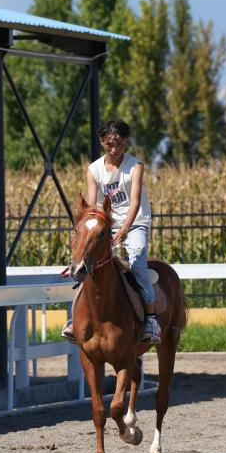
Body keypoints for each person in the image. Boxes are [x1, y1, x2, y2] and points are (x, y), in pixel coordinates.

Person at [63, 119, 161, 345]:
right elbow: (93, 203)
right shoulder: (94, 170)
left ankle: (151, 320)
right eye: (109, 144)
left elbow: (135, 202)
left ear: (126, 142)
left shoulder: (135, 167)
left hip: (134, 223)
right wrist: (91, 231)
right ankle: (74, 320)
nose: (114, 149)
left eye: (118, 143)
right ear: (101, 142)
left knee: (137, 264)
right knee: (83, 263)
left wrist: (125, 229)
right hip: (106, 224)